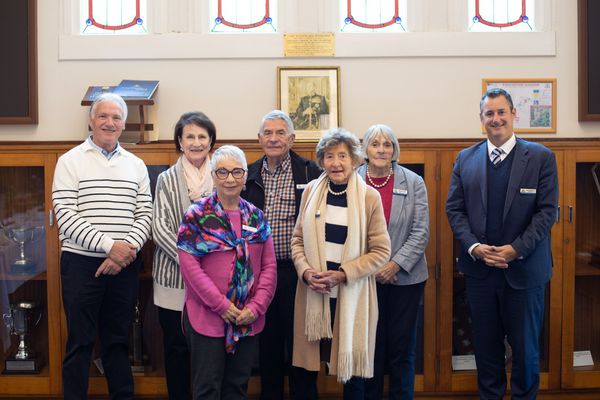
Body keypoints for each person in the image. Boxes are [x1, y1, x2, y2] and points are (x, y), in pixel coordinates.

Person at [446, 88, 558, 400]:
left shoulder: (540, 158)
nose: (496, 119)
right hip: (480, 274)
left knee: (525, 353)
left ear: (514, 115)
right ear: (481, 120)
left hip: (524, 274)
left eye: (501, 112)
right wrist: (474, 248)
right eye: (489, 114)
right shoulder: (465, 159)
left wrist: (515, 249)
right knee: (487, 352)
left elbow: (547, 213)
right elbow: (454, 210)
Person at [52, 92, 152, 400]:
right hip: (81, 264)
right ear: (91, 121)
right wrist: (111, 247)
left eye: (116, 117)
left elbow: (145, 212)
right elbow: (65, 214)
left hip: (125, 265)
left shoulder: (136, 164)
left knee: (118, 341)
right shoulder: (70, 161)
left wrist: (126, 250)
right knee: (80, 341)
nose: (110, 122)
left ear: (124, 124)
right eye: (103, 116)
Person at [290, 128, 391, 400]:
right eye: (330, 156)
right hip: (313, 293)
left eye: (343, 156)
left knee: (353, 374)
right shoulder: (310, 191)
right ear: (321, 161)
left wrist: (343, 274)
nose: (336, 163)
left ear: (355, 160)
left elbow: (382, 251)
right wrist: (306, 272)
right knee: (305, 370)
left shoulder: (369, 197)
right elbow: (297, 241)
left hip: (351, 294)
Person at [177, 145, 277, 400]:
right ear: (213, 175)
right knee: (207, 388)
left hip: (247, 317)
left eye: (236, 172)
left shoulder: (257, 217)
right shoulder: (196, 216)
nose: (230, 178)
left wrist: (256, 308)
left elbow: (269, 267)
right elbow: (190, 269)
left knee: (237, 387)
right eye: (222, 172)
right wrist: (221, 306)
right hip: (207, 316)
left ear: (245, 176)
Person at [242, 110, 321, 400]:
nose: (273, 138)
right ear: (259, 138)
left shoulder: (310, 172)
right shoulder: (247, 175)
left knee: (301, 346)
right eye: (267, 133)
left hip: (298, 272)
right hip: (260, 274)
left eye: (280, 133)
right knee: (268, 345)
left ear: (291, 138)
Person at [357, 124, 429, 400]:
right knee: (369, 348)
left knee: (401, 348)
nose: (381, 150)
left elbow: (421, 231)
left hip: (405, 280)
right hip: (365, 279)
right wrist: (372, 266)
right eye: (375, 144)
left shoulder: (413, 182)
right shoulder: (353, 180)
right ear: (365, 149)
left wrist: (394, 265)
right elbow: (348, 232)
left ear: (395, 150)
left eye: (387, 144)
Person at [152, 111, 217, 400]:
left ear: (211, 142)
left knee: (210, 351)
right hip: (173, 280)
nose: (196, 142)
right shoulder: (166, 179)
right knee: (176, 350)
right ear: (180, 141)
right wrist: (190, 263)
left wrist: (209, 267)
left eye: (202, 136)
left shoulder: (222, 176)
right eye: (189, 136)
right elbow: (161, 228)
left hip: (215, 281)